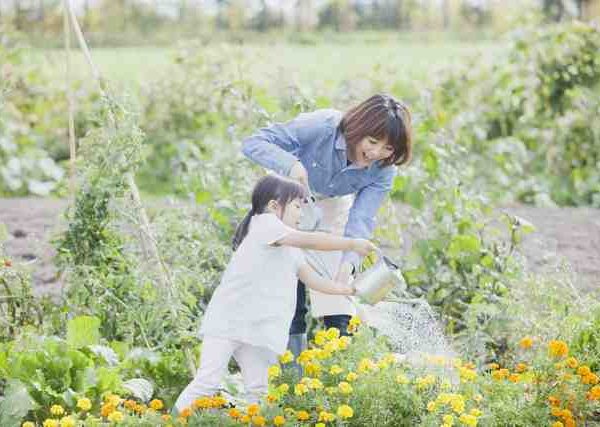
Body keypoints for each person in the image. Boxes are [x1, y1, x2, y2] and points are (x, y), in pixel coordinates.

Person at [174, 174, 377, 412]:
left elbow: (315, 281)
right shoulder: (265, 224)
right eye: (297, 207)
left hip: (257, 330)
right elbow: (311, 240)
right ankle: (166, 421)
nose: (302, 215)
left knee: (258, 390)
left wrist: (349, 289)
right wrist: (351, 244)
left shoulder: (292, 249)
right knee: (208, 381)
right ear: (273, 206)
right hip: (228, 322)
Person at [241, 93, 413, 357]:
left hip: (332, 204)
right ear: (358, 129)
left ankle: (339, 374)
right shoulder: (323, 125)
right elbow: (254, 143)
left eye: (388, 149)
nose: (377, 153)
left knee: (338, 295)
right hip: (289, 194)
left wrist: (348, 263)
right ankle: (291, 372)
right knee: (287, 290)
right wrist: (293, 166)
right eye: (373, 141)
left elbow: (362, 218)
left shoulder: (384, 170)